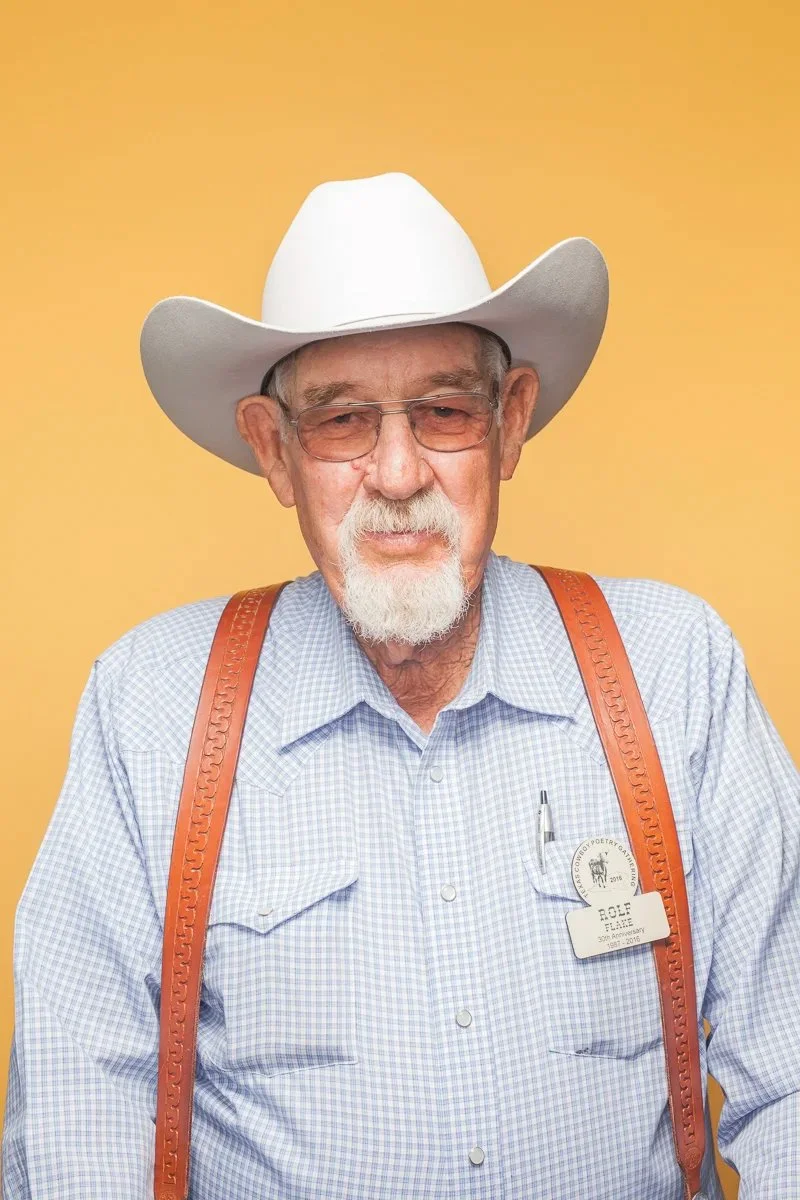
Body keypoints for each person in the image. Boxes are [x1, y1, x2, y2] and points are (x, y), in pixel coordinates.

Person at [3, 172, 798, 1200]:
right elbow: (82, 1110)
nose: (394, 473)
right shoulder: (147, 708)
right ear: (273, 452)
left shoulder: (674, 668)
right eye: (339, 422)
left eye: (442, 412)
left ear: (510, 424)